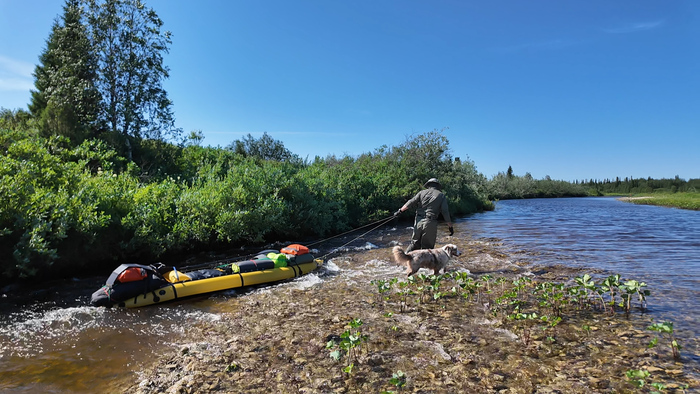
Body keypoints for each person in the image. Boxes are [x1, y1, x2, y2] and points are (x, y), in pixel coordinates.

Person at [394, 178, 454, 252]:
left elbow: (411, 202)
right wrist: (450, 226)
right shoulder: (441, 196)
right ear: (438, 186)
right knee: (427, 248)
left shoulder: (421, 192)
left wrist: (400, 211)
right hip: (430, 222)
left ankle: (404, 259)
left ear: (428, 185)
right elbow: (445, 212)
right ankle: (424, 263)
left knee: (414, 244)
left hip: (418, 221)